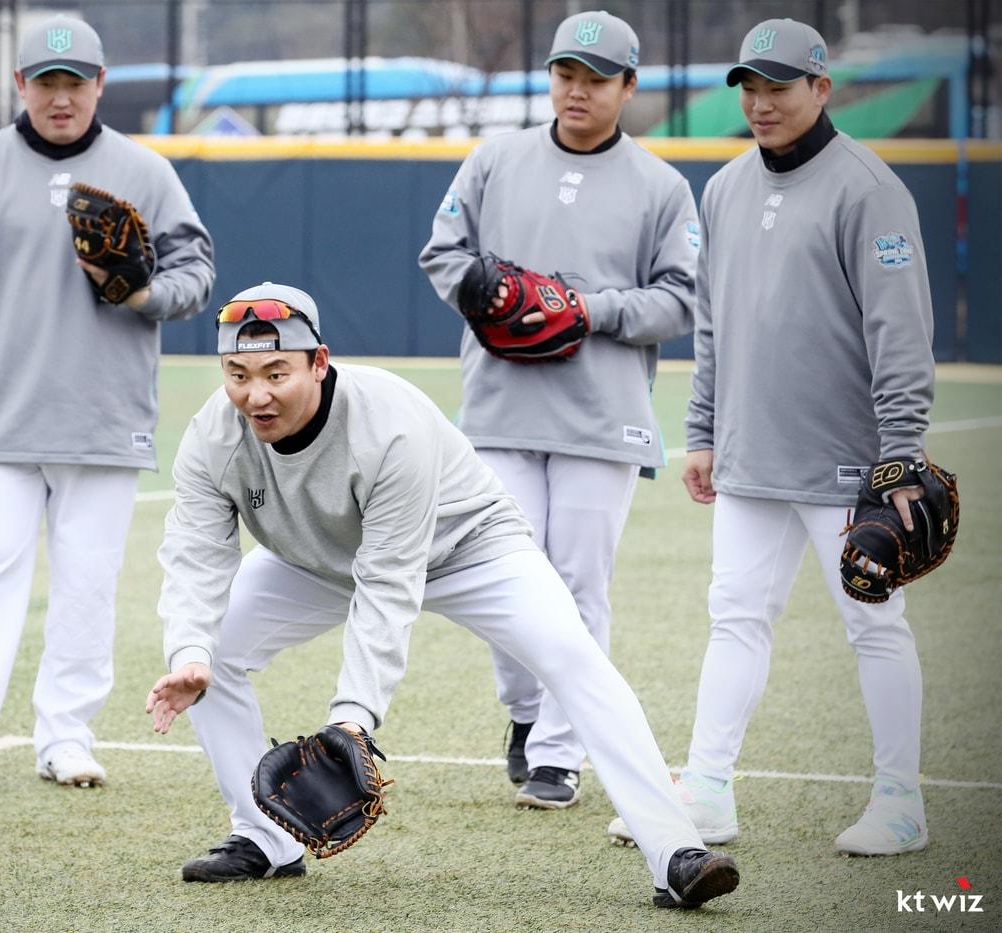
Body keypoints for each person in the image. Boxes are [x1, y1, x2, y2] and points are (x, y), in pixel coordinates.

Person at [144, 282, 738, 909]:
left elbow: (388, 580)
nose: (255, 395)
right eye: (237, 374)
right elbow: (194, 555)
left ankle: (675, 852)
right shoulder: (213, 435)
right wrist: (190, 651)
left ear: (319, 363)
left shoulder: (389, 424)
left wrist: (354, 715)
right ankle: (264, 839)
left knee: (574, 657)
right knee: (207, 659)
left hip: (468, 547)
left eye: (275, 372)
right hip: (317, 559)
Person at [608, 18, 937, 856]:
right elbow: (713, 327)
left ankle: (902, 800)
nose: (760, 103)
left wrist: (898, 455)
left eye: (778, 86)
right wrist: (705, 432)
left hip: (848, 464)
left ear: (821, 89)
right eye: (749, 87)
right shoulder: (723, 189)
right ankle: (708, 791)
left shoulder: (871, 190)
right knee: (735, 617)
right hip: (751, 458)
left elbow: (902, 336)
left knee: (875, 625)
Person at [0, 14, 214, 791]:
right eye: (48, 83)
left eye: (76, 83)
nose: (62, 98)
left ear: (101, 85)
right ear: (21, 86)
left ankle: (65, 736)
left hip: (104, 421)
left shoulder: (144, 169)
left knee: (86, 584)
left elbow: (196, 269)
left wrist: (146, 293)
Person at [418, 10, 697, 809]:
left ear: (628, 87)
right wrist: (479, 287)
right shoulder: (496, 158)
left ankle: (559, 753)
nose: (577, 90)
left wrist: (588, 307)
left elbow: (679, 299)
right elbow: (443, 253)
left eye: (597, 78)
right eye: (566, 74)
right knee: (503, 577)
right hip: (501, 404)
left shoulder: (661, 186)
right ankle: (526, 711)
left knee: (578, 584)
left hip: (601, 414)